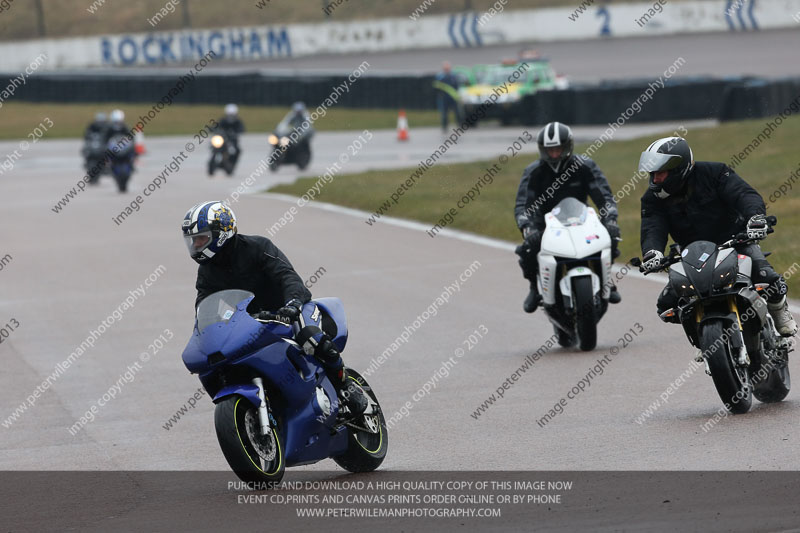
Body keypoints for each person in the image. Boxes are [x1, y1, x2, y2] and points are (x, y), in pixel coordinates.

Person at [181, 201, 369, 414]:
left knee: (310, 337)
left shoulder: (257, 247)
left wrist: (293, 304)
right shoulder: (207, 272)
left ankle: (346, 385)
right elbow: (205, 305)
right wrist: (207, 331)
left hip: (289, 311)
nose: (196, 246)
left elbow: (286, 276)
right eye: (193, 241)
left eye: (201, 239)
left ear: (222, 233)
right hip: (250, 324)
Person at [638, 136, 797, 336]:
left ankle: (779, 313)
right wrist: (652, 252)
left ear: (679, 168)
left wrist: (756, 219)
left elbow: (743, 194)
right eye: (652, 174)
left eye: (660, 173)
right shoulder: (652, 199)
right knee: (667, 305)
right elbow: (652, 226)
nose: (655, 180)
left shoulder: (715, 173)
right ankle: (701, 332)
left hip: (734, 241)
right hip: (692, 255)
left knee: (767, 277)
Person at [515, 122, 622, 313]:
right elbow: (524, 204)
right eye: (550, 150)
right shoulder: (533, 171)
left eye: (558, 149)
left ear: (568, 146)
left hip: (580, 218)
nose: (554, 154)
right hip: (545, 223)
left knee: (611, 235)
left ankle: (607, 281)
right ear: (542, 150)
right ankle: (534, 288)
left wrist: (610, 218)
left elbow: (604, 196)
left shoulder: (585, 166)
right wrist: (527, 226)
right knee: (527, 249)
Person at [434, 61, 463, 132]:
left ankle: (460, 125)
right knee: (444, 113)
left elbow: (457, 86)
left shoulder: (453, 76)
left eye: (448, 68)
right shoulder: (440, 77)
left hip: (453, 97)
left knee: (457, 112)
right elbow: (437, 87)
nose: (447, 69)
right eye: (445, 68)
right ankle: (445, 127)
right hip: (444, 98)